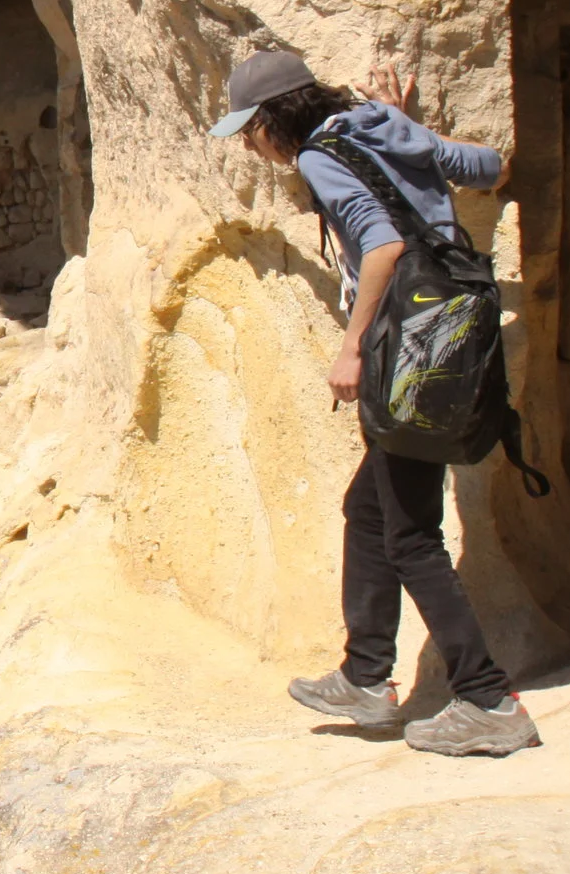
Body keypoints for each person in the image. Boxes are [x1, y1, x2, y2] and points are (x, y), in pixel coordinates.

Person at [208, 49, 540, 758]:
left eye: (248, 130)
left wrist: (352, 346)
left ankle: (488, 699)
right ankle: (364, 676)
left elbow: (384, 247)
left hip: (405, 351)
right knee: (370, 508)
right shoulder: (376, 125)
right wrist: (407, 125)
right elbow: (490, 167)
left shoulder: (321, 157)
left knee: (411, 533)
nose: (249, 144)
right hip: (449, 334)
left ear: (275, 121)